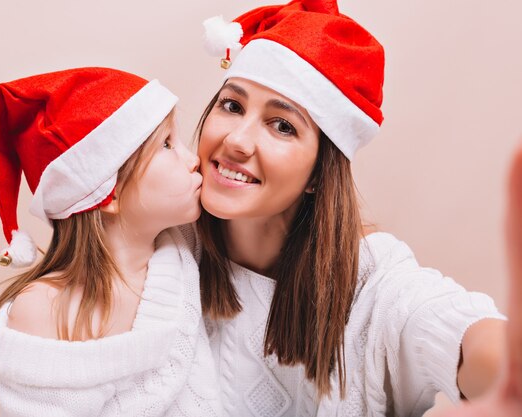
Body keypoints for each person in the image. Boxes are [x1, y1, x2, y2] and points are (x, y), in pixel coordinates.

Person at [192, 1, 520, 415]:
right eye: (232, 105)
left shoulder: (373, 283)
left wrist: (507, 368)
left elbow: (453, 328)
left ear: (318, 174)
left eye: (283, 125)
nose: (238, 140)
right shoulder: (163, 246)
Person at [0, 67, 222, 416]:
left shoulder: (187, 249)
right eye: (167, 145)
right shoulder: (44, 310)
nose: (192, 160)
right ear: (106, 193)